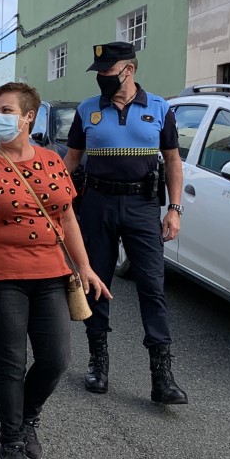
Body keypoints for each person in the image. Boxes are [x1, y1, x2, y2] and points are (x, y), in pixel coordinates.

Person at [0, 82, 108, 459]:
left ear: (29, 117)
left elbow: (67, 218)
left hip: (52, 274)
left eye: (6, 110)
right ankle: (10, 440)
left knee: (56, 358)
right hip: (2, 274)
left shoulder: (53, 161)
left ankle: (27, 420)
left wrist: (85, 267)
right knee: (12, 360)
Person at [62, 41, 188, 405]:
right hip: (97, 204)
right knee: (94, 280)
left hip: (143, 205)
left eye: (107, 72)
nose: (101, 78)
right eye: (99, 72)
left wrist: (175, 208)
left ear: (128, 71)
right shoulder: (87, 110)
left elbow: (173, 161)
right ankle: (98, 363)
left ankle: (161, 376)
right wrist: (45, 190)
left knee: (152, 285)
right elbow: (71, 159)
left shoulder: (160, 109)